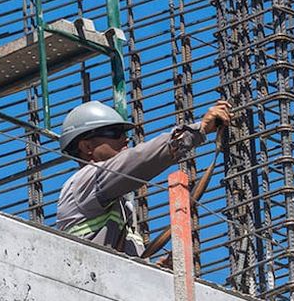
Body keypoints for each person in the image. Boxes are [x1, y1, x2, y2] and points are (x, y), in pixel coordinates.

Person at [56, 99, 231, 256]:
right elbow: (139, 160)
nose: (125, 139)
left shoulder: (116, 204)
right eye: (115, 132)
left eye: (125, 133)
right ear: (86, 146)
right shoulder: (82, 183)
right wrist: (196, 131)